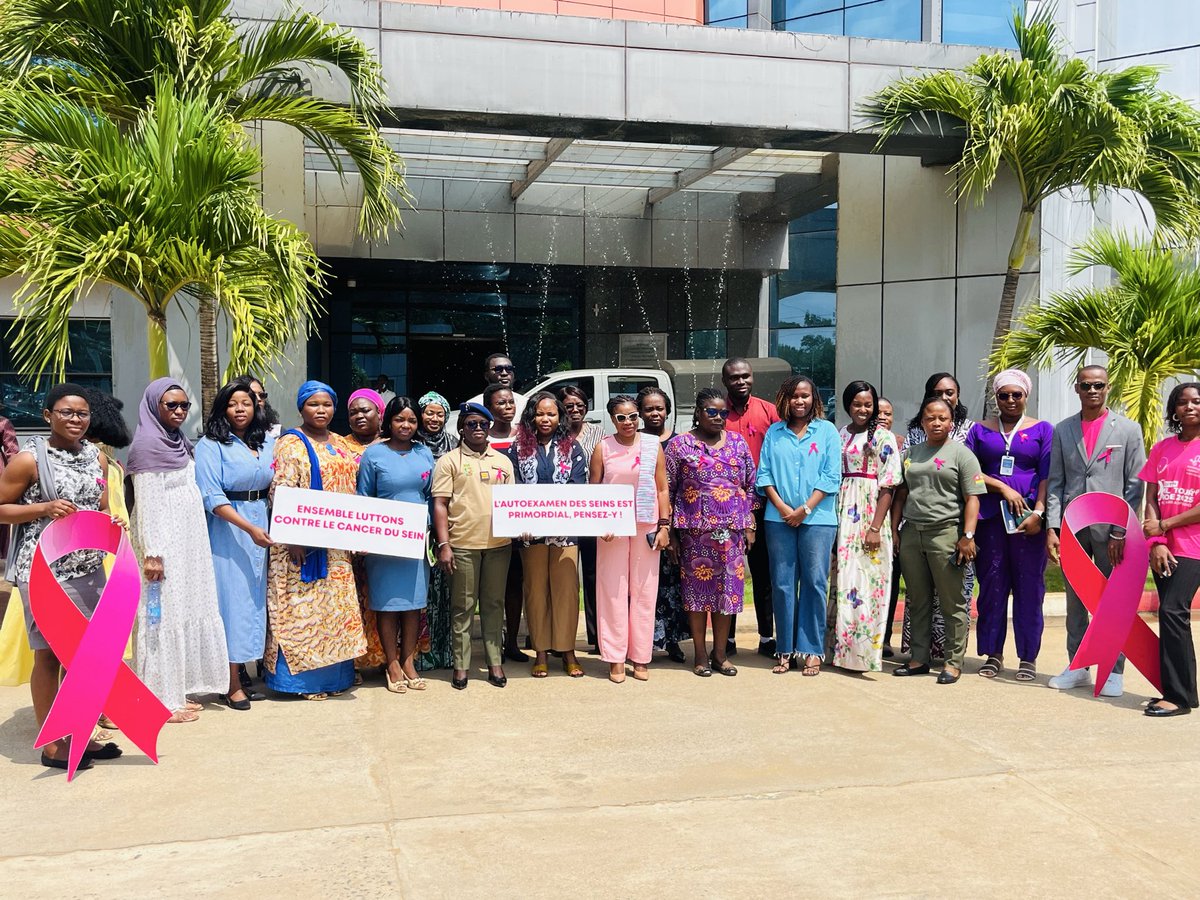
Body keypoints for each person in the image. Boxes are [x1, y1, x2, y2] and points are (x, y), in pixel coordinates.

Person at [0, 385, 120, 770]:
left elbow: (99, 505)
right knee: (50, 655)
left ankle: (79, 734)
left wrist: (110, 519)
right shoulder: (28, 460)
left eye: (82, 414)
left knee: (86, 659)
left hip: (88, 567)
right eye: (66, 412)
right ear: (47, 415)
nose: (75, 420)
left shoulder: (96, 458)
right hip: (44, 571)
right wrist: (43, 507)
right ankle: (53, 745)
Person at [128, 378, 228, 721]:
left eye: (184, 405)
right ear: (154, 406)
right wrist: (153, 555)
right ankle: (159, 700)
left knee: (184, 611)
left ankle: (175, 689)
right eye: (171, 405)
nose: (180, 411)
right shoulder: (147, 446)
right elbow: (149, 506)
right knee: (160, 618)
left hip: (188, 543)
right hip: (163, 549)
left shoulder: (178, 442)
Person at [1045, 365, 1145, 697]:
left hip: (1111, 532)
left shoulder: (1128, 431)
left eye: (1098, 385)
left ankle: (1114, 670)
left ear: (1108, 388)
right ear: (1077, 388)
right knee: (1076, 600)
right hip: (1074, 528)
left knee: (1111, 601)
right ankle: (1078, 666)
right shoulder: (1063, 430)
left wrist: (1121, 531)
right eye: (1086, 385)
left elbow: (1134, 487)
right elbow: (1057, 483)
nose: (1092, 391)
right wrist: (1053, 528)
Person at [265, 381, 367, 699]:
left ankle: (334, 679)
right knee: (301, 614)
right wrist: (295, 537)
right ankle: (302, 684)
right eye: (313, 404)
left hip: (335, 545)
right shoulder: (290, 444)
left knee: (334, 612)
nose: (320, 410)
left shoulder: (340, 444)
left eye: (326, 404)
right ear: (301, 408)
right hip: (299, 546)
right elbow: (281, 491)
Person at [966, 369, 1053, 682]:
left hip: (1028, 521)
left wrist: (1039, 513)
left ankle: (1028, 657)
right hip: (990, 519)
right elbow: (971, 473)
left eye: (1017, 394)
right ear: (996, 398)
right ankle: (993, 653)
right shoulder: (979, 431)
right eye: (1004, 395)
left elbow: (1047, 476)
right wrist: (1002, 488)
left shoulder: (1043, 429)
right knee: (992, 586)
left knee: (1030, 588)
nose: (1011, 400)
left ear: (1026, 396)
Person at [891, 396, 985, 684]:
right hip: (912, 534)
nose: (936, 422)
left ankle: (953, 661)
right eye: (930, 417)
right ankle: (919, 658)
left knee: (952, 602)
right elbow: (901, 495)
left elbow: (973, 498)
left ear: (951, 422)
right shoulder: (910, 454)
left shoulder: (963, 455)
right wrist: (895, 530)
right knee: (917, 600)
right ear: (922, 421)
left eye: (942, 418)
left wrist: (968, 536)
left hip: (946, 534)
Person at [194, 380, 275, 710]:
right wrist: (249, 527)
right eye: (233, 403)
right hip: (231, 528)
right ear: (222, 409)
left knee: (256, 603)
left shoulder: (267, 442)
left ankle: (247, 674)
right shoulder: (211, 445)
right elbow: (212, 496)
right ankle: (229, 683)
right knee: (233, 604)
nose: (241, 408)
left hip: (264, 525)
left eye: (247, 402)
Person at [665, 388, 757, 678]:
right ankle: (700, 655)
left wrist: (749, 523)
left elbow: (751, 485)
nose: (719, 418)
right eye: (712, 412)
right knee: (696, 596)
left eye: (723, 413)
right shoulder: (680, 446)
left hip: (730, 535)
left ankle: (720, 655)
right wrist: (670, 532)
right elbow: (667, 489)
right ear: (698, 412)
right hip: (694, 534)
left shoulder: (738, 444)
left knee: (726, 596)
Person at [756, 375, 841, 676]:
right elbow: (763, 475)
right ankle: (785, 648)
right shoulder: (775, 433)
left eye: (805, 395)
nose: (800, 401)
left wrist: (804, 509)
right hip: (778, 520)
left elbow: (832, 476)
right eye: (794, 396)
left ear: (814, 399)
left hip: (817, 519)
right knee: (782, 583)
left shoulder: (827, 431)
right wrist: (782, 508)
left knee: (815, 583)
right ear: (785, 400)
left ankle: (812, 649)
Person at [505, 392, 588, 679]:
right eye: (540, 413)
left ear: (559, 417)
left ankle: (567, 651)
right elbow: (513, 490)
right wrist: (519, 522)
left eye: (551, 414)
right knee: (536, 592)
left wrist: (566, 521)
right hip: (531, 535)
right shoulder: (517, 450)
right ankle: (540, 652)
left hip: (566, 534)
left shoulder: (573, 449)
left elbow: (579, 488)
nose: (545, 419)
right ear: (531, 416)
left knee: (566, 592)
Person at [432, 402, 514, 689]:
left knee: (494, 605)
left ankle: (494, 662)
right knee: (463, 607)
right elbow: (440, 504)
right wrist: (444, 544)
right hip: (463, 545)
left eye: (482, 424)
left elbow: (515, 504)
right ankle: (461, 666)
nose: (477, 429)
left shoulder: (503, 461)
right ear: (461, 428)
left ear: (489, 427)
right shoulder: (449, 461)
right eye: (471, 424)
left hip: (499, 545)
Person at [358, 396, 435, 694]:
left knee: (414, 605)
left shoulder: (424, 453)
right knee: (388, 605)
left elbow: (431, 496)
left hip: (416, 539)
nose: (406, 425)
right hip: (384, 541)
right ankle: (391, 664)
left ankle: (409, 661)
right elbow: (364, 497)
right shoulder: (374, 455)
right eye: (400, 419)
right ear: (388, 421)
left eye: (412, 420)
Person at [591, 395, 670, 683]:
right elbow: (595, 490)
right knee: (612, 590)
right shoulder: (603, 448)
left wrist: (664, 526)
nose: (629, 422)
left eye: (633, 416)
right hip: (612, 529)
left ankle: (640, 656)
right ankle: (614, 657)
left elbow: (662, 488)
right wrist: (600, 522)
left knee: (644, 591)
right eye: (621, 417)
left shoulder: (652, 445)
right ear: (612, 420)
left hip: (646, 524)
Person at [831, 381, 901, 673]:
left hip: (871, 512)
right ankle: (840, 651)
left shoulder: (883, 438)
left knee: (868, 583)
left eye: (868, 404)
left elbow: (890, 485)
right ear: (848, 405)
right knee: (843, 582)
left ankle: (864, 655)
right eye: (858, 404)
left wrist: (875, 527)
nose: (863, 409)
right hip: (843, 510)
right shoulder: (840, 434)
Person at [1140, 382, 1200, 718]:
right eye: (1182, 402)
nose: (1189, 407)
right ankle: (1182, 693)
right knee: (1171, 614)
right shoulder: (1161, 448)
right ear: (1174, 410)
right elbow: (1151, 498)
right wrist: (1157, 542)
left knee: (1173, 612)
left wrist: (1165, 526)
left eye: (1196, 401)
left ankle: (1177, 697)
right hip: (1164, 547)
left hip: (1194, 546)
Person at [722, 357, 781, 658]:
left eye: (745, 376)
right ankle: (727, 638)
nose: (741, 381)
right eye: (734, 378)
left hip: (762, 503)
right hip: (726, 506)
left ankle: (766, 637)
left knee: (763, 572)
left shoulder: (768, 411)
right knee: (730, 572)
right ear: (725, 382)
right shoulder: (719, 412)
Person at [639, 386, 688, 663]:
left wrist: (672, 527)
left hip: (673, 522)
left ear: (668, 410)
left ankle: (671, 641)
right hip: (643, 522)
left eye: (659, 408)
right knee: (645, 585)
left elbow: (683, 487)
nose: (654, 413)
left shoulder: (681, 442)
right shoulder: (634, 440)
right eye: (648, 409)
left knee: (671, 584)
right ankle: (644, 642)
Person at [342, 388, 386, 675]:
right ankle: (354, 662)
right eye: (353, 412)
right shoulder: (336, 446)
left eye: (366, 410)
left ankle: (386, 657)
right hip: (348, 537)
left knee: (383, 598)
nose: (359, 415)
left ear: (380, 414)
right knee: (355, 599)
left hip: (387, 536)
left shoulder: (394, 445)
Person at [414, 391, 457, 670]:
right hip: (417, 525)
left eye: (440, 413)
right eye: (429, 413)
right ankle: (419, 654)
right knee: (422, 592)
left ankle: (444, 651)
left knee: (445, 592)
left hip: (447, 526)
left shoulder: (454, 444)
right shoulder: (411, 444)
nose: (434, 418)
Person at [484, 382, 525, 662]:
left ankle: (512, 641)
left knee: (514, 583)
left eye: (510, 402)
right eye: (500, 403)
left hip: (519, 520)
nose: (507, 407)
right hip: (485, 519)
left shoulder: (525, 435)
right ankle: (490, 643)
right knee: (487, 586)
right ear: (488, 407)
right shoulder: (479, 436)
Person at [560, 385, 603, 653]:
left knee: (592, 574)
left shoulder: (598, 433)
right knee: (562, 575)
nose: (575, 410)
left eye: (579, 404)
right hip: (561, 513)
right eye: (569, 406)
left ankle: (597, 637)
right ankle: (555, 637)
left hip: (590, 512)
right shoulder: (555, 433)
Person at [877, 397, 904, 657]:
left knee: (891, 582)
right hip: (869, 517)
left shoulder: (901, 444)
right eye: (880, 412)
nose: (884, 416)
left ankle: (886, 638)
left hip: (899, 521)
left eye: (889, 412)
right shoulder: (862, 441)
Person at [468, 352, 527, 420]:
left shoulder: (524, 403)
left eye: (509, 369)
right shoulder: (474, 405)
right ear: (486, 376)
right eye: (498, 369)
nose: (504, 373)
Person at [484, 383, 518, 452]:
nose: (509, 407)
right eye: (502, 403)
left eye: (511, 402)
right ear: (488, 408)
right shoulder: (483, 439)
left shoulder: (524, 436)